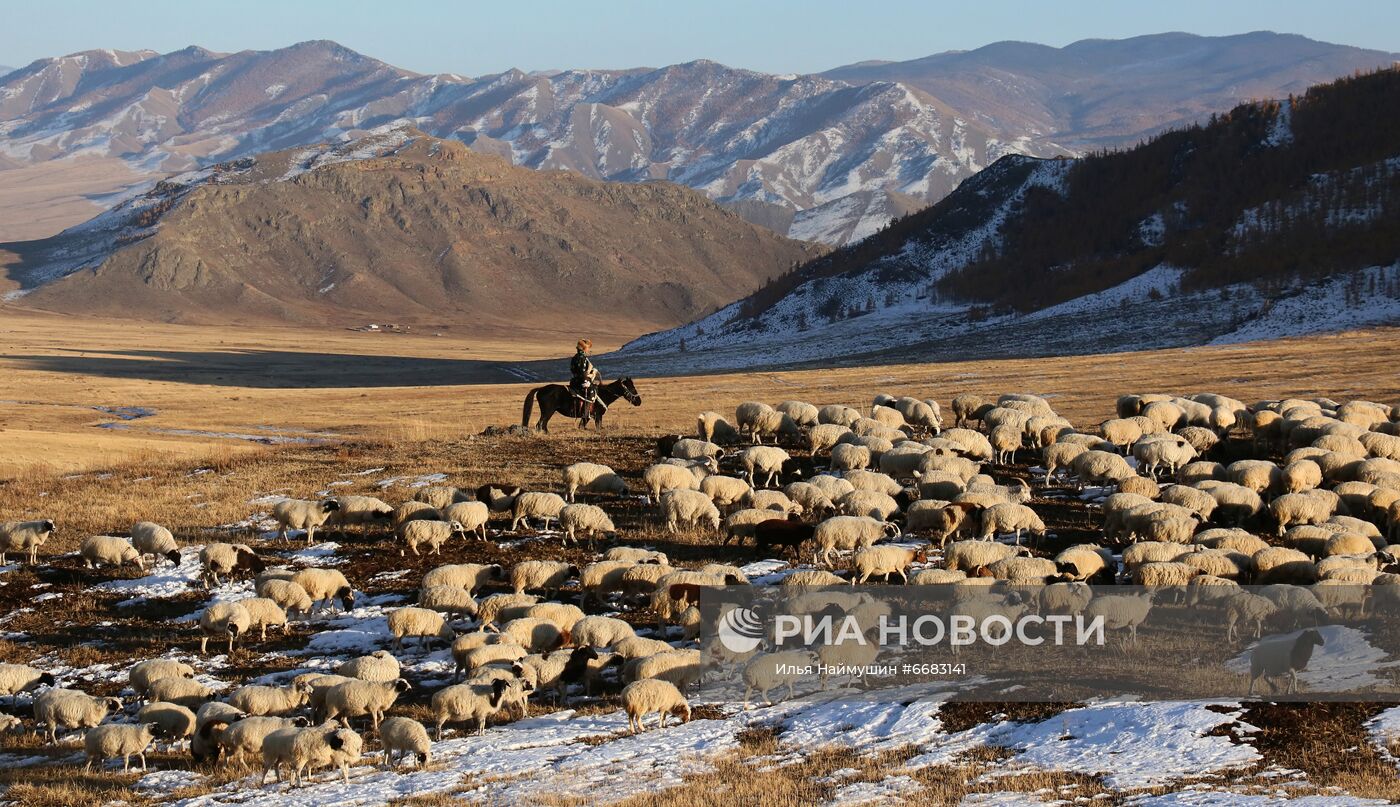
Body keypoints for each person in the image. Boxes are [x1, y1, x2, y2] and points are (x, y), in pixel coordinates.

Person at [569, 338, 600, 426]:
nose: (588, 350)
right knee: (591, 393)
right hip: (581, 381)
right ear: (584, 348)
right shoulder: (582, 358)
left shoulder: (575, 357)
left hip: (575, 380)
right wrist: (589, 378)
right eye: (588, 348)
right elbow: (582, 373)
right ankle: (585, 414)